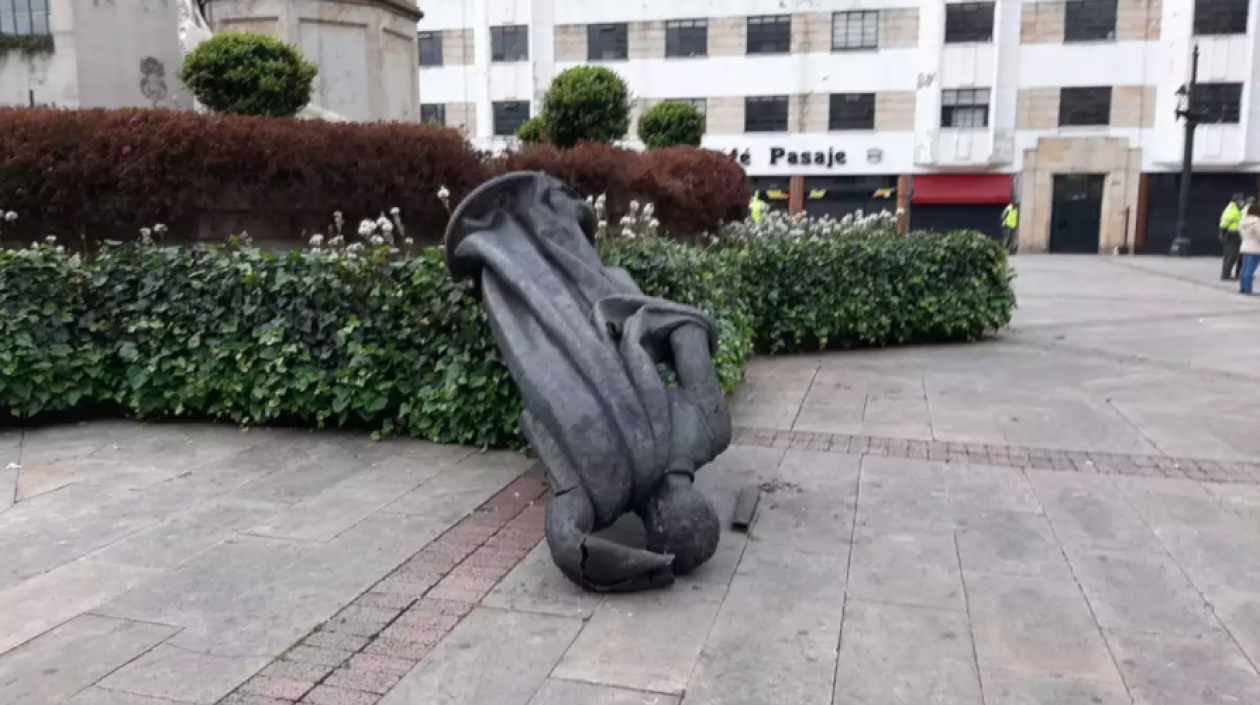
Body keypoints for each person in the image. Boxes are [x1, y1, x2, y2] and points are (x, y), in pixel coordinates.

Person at [1220, 194, 1246, 280]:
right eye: (1240, 200)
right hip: (1232, 233)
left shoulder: (1236, 208)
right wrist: (1223, 232)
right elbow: (1225, 221)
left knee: (1231, 255)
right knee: (1232, 255)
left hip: (1236, 233)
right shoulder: (1232, 209)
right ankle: (1225, 275)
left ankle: (1227, 273)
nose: (1242, 202)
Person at [1240, 209, 1260, 294]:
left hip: (1245, 246)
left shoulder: (1242, 221)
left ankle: (1243, 287)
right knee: (1250, 270)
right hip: (1255, 248)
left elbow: (1241, 233)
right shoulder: (1256, 222)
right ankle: (1248, 289)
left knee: (1244, 269)